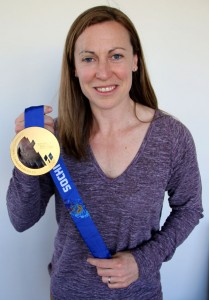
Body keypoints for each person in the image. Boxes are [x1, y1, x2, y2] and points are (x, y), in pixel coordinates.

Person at [7, 5, 203, 300]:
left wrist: (143, 260)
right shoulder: (51, 138)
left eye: (116, 55)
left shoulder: (172, 137)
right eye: (88, 58)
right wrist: (26, 157)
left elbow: (189, 209)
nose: (102, 71)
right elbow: (21, 220)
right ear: (74, 68)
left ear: (135, 61)